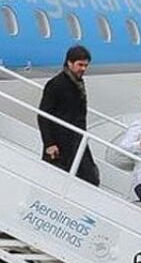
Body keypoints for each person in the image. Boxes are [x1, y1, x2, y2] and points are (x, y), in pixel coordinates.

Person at [38, 45, 99, 185]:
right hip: (60, 141)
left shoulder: (77, 82)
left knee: (90, 177)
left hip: (76, 138)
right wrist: (49, 143)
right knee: (59, 179)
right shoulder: (56, 84)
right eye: (80, 65)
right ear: (69, 63)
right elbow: (43, 115)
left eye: (86, 65)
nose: (83, 69)